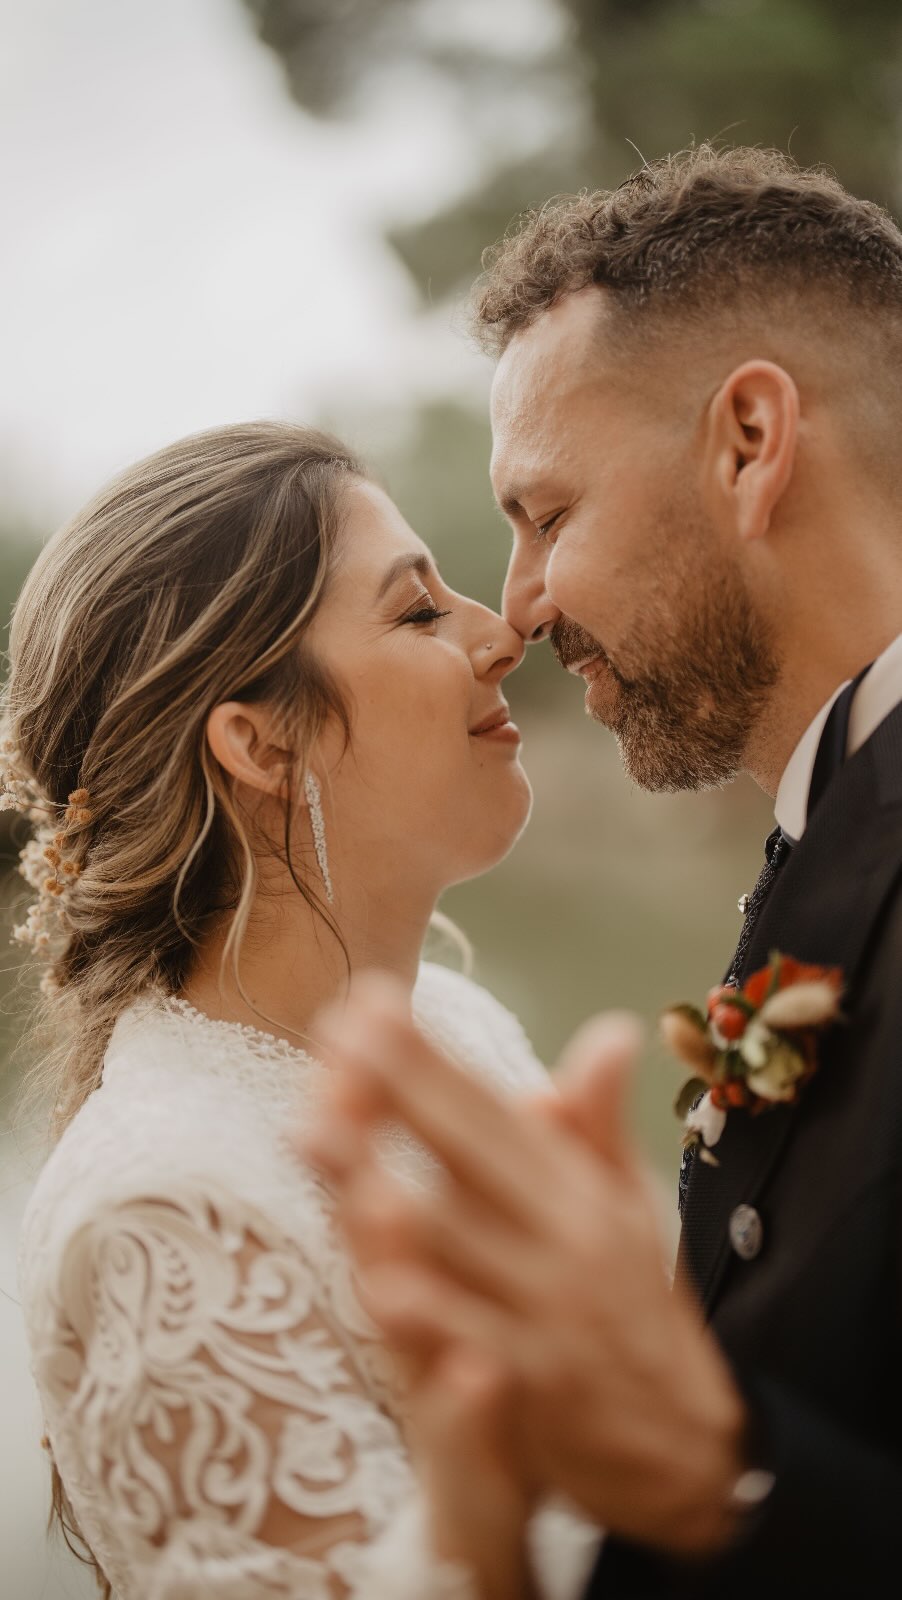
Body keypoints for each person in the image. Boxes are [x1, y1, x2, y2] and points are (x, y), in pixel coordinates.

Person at [307, 145, 902, 1596]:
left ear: (749, 440)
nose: (516, 609)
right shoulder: (832, 826)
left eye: (547, 516)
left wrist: (714, 1470)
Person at [8, 422, 600, 1600]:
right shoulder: (165, 1210)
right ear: (259, 740)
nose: (499, 632)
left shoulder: (458, 1024)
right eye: (418, 613)